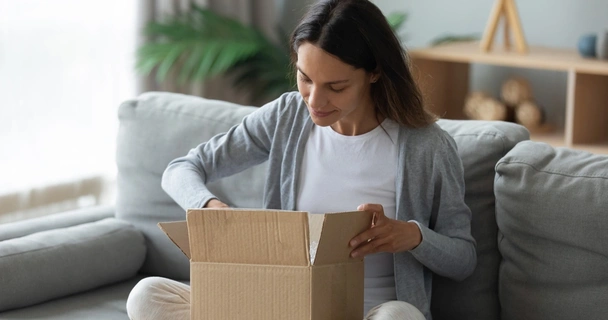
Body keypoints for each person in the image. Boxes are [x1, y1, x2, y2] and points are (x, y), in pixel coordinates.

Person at [126, 0, 476, 319]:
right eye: (305, 79)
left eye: (336, 87)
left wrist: (412, 236)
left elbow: (463, 258)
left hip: (370, 312)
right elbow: (182, 169)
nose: (315, 100)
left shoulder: (427, 146)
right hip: (279, 305)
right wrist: (207, 206)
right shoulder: (286, 117)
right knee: (147, 296)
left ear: (374, 72)